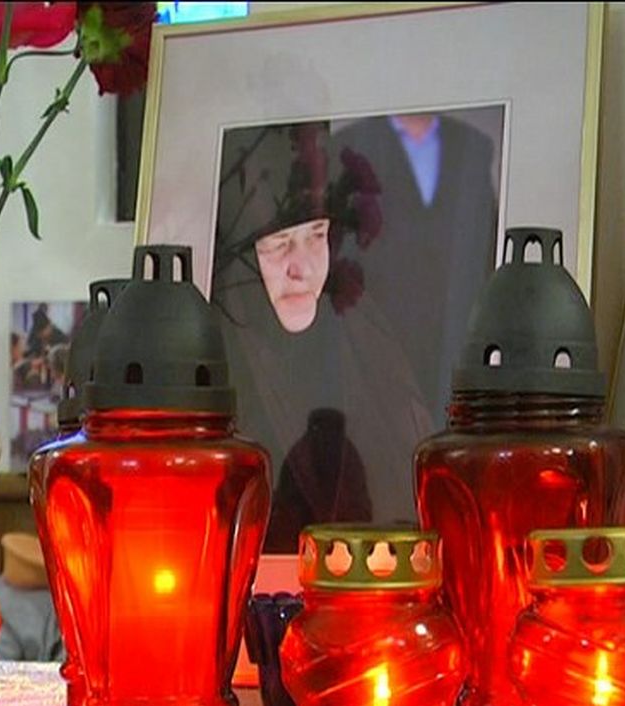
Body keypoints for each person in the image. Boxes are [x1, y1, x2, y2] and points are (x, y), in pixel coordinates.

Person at [213, 121, 430, 550]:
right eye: (278, 244)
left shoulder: (364, 338)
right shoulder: (222, 354)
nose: (303, 268)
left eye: (316, 236)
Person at [331, 110, 500, 429]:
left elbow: (485, 254)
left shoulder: (473, 147)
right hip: (378, 341)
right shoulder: (349, 144)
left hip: (452, 340)